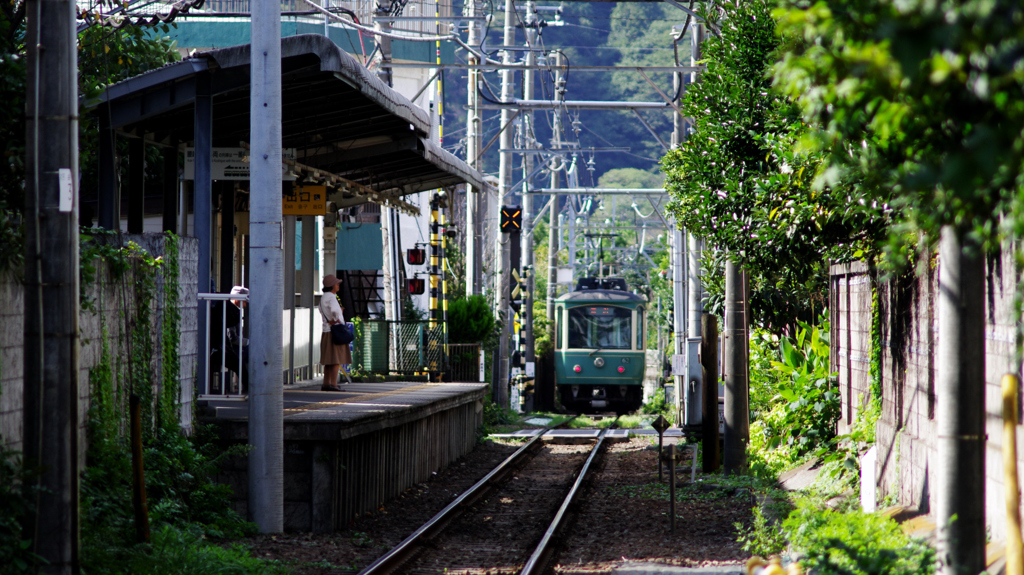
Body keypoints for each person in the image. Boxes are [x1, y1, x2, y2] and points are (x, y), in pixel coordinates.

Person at [318, 274, 351, 391]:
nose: (338, 286)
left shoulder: (323, 297)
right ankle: (333, 384)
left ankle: (326, 383)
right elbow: (335, 311)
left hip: (326, 331)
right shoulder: (332, 297)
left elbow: (321, 310)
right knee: (337, 359)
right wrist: (337, 317)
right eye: (337, 284)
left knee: (328, 360)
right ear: (332, 285)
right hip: (336, 331)